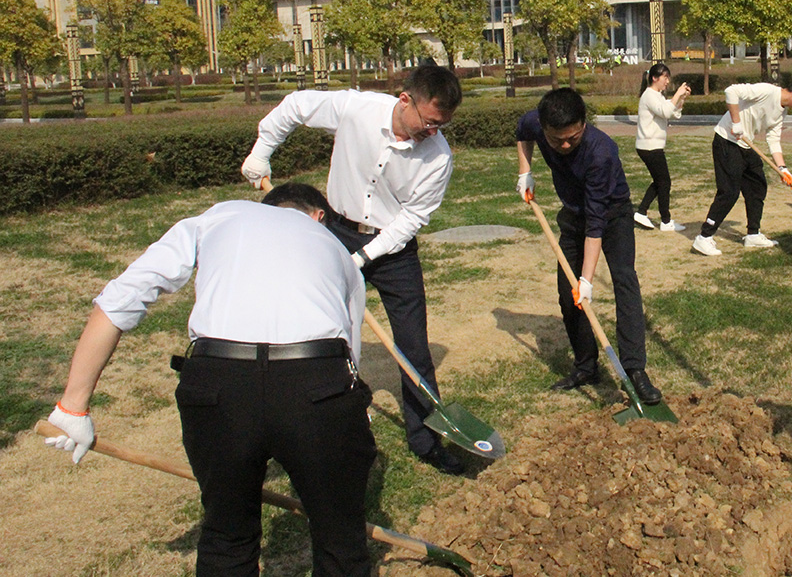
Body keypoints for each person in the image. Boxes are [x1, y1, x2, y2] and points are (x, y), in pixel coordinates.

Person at [44, 184, 376, 576]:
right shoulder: (338, 252)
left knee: (227, 536)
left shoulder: (219, 215)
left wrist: (73, 406)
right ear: (319, 216)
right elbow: (349, 359)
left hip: (218, 385)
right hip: (316, 383)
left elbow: (121, 298)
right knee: (341, 540)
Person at [240, 66, 465, 475]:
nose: (433, 131)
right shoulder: (355, 108)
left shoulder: (438, 157)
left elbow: (411, 219)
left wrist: (361, 259)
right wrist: (261, 152)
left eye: (442, 125)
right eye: (429, 121)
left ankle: (426, 439)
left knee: (413, 346)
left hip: (393, 250)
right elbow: (296, 106)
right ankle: (320, 425)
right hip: (337, 231)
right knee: (321, 333)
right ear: (405, 100)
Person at [515, 87, 662, 404]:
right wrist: (525, 171)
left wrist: (587, 280)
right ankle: (586, 366)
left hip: (613, 214)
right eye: (557, 140)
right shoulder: (536, 122)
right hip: (574, 215)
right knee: (568, 295)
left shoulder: (601, 151)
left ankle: (635, 370)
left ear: (584, 123)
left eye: (573, 137)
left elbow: (596, 224)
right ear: (545, 128)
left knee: (624, 281)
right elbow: (521, 131)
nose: (565, 145)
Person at [691, 76, 792, 257]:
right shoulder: (766, 91)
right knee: (729, 192)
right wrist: (736, 122)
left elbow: (773, 139)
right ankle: (704, 237)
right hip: (727, 140)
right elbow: (731, 91)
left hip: (746, 144)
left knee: (757, 186)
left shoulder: (782, 112)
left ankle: (753, 234)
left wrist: (782, 168)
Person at [634, 62, 692, 231]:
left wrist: (681, 99)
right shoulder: (649, 95)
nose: (667, 81)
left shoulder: (657, 96)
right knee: (664, 182)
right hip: (649, 146)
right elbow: (666, 111)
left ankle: (642, 212)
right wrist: (677, 94)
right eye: (665, 77)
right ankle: (665, 221)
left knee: (660, 181)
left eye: (668, 78)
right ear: (654, 78)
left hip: (652, 146)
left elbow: (673, 113)